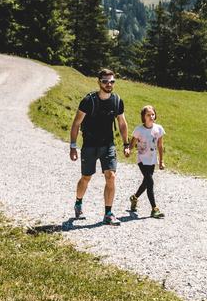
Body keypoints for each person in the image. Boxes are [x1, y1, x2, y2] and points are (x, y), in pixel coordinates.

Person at [69, 68, 131, 226]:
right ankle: (78, 204)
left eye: (112, 81)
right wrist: (73, 146)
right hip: (90, 145)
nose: (109, 84)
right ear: (99, 82)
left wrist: (126, 144)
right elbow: (76, 124)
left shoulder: (117, 101)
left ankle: (108, 213)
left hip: (108, 145)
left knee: (111, 175)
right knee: (86, 178)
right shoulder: (88, 101)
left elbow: (122, 124)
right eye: (106, 81)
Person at [129, 105, 166, 219]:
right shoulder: (139, 130)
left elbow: (160, 145)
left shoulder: (158, 129)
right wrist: (128, 150)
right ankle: (154, 208)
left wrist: (161, 161)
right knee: (150, 181)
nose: (151, 116)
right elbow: (132, 144)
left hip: (152, 159)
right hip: (142, 159)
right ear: (143, 117)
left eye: (152, 114)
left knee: (146, 182)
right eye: (148, 115)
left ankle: (134, 198)